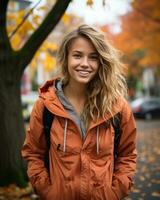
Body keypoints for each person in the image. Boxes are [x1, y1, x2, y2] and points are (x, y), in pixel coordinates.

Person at [22, 24, 137, 200]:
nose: (85, 64)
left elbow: (127, 155)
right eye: (77, 55)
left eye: (93, 57)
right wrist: (48, 192)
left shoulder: (117, 107)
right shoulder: (45, 106)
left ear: (101, 62)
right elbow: (34, 153)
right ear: (66, 58)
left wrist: (114, 193)